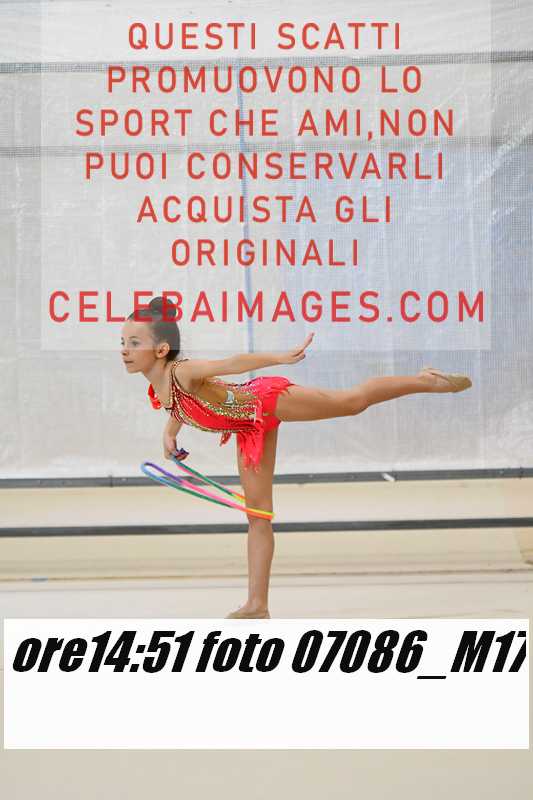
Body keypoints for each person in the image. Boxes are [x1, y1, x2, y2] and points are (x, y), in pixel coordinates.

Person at [121, 296, 472, 619]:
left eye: (134, 343)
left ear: (161, 349)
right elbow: (181, 405)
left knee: (351, 402)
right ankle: (257, 605)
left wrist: (279, 358)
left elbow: (231, 364)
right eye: (123, 342)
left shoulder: (181, 371)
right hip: (250, 429)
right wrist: (170, 432)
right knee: (258, 516)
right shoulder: (160, 387)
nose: (124, 350)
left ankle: (426, 380)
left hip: (265, 401)